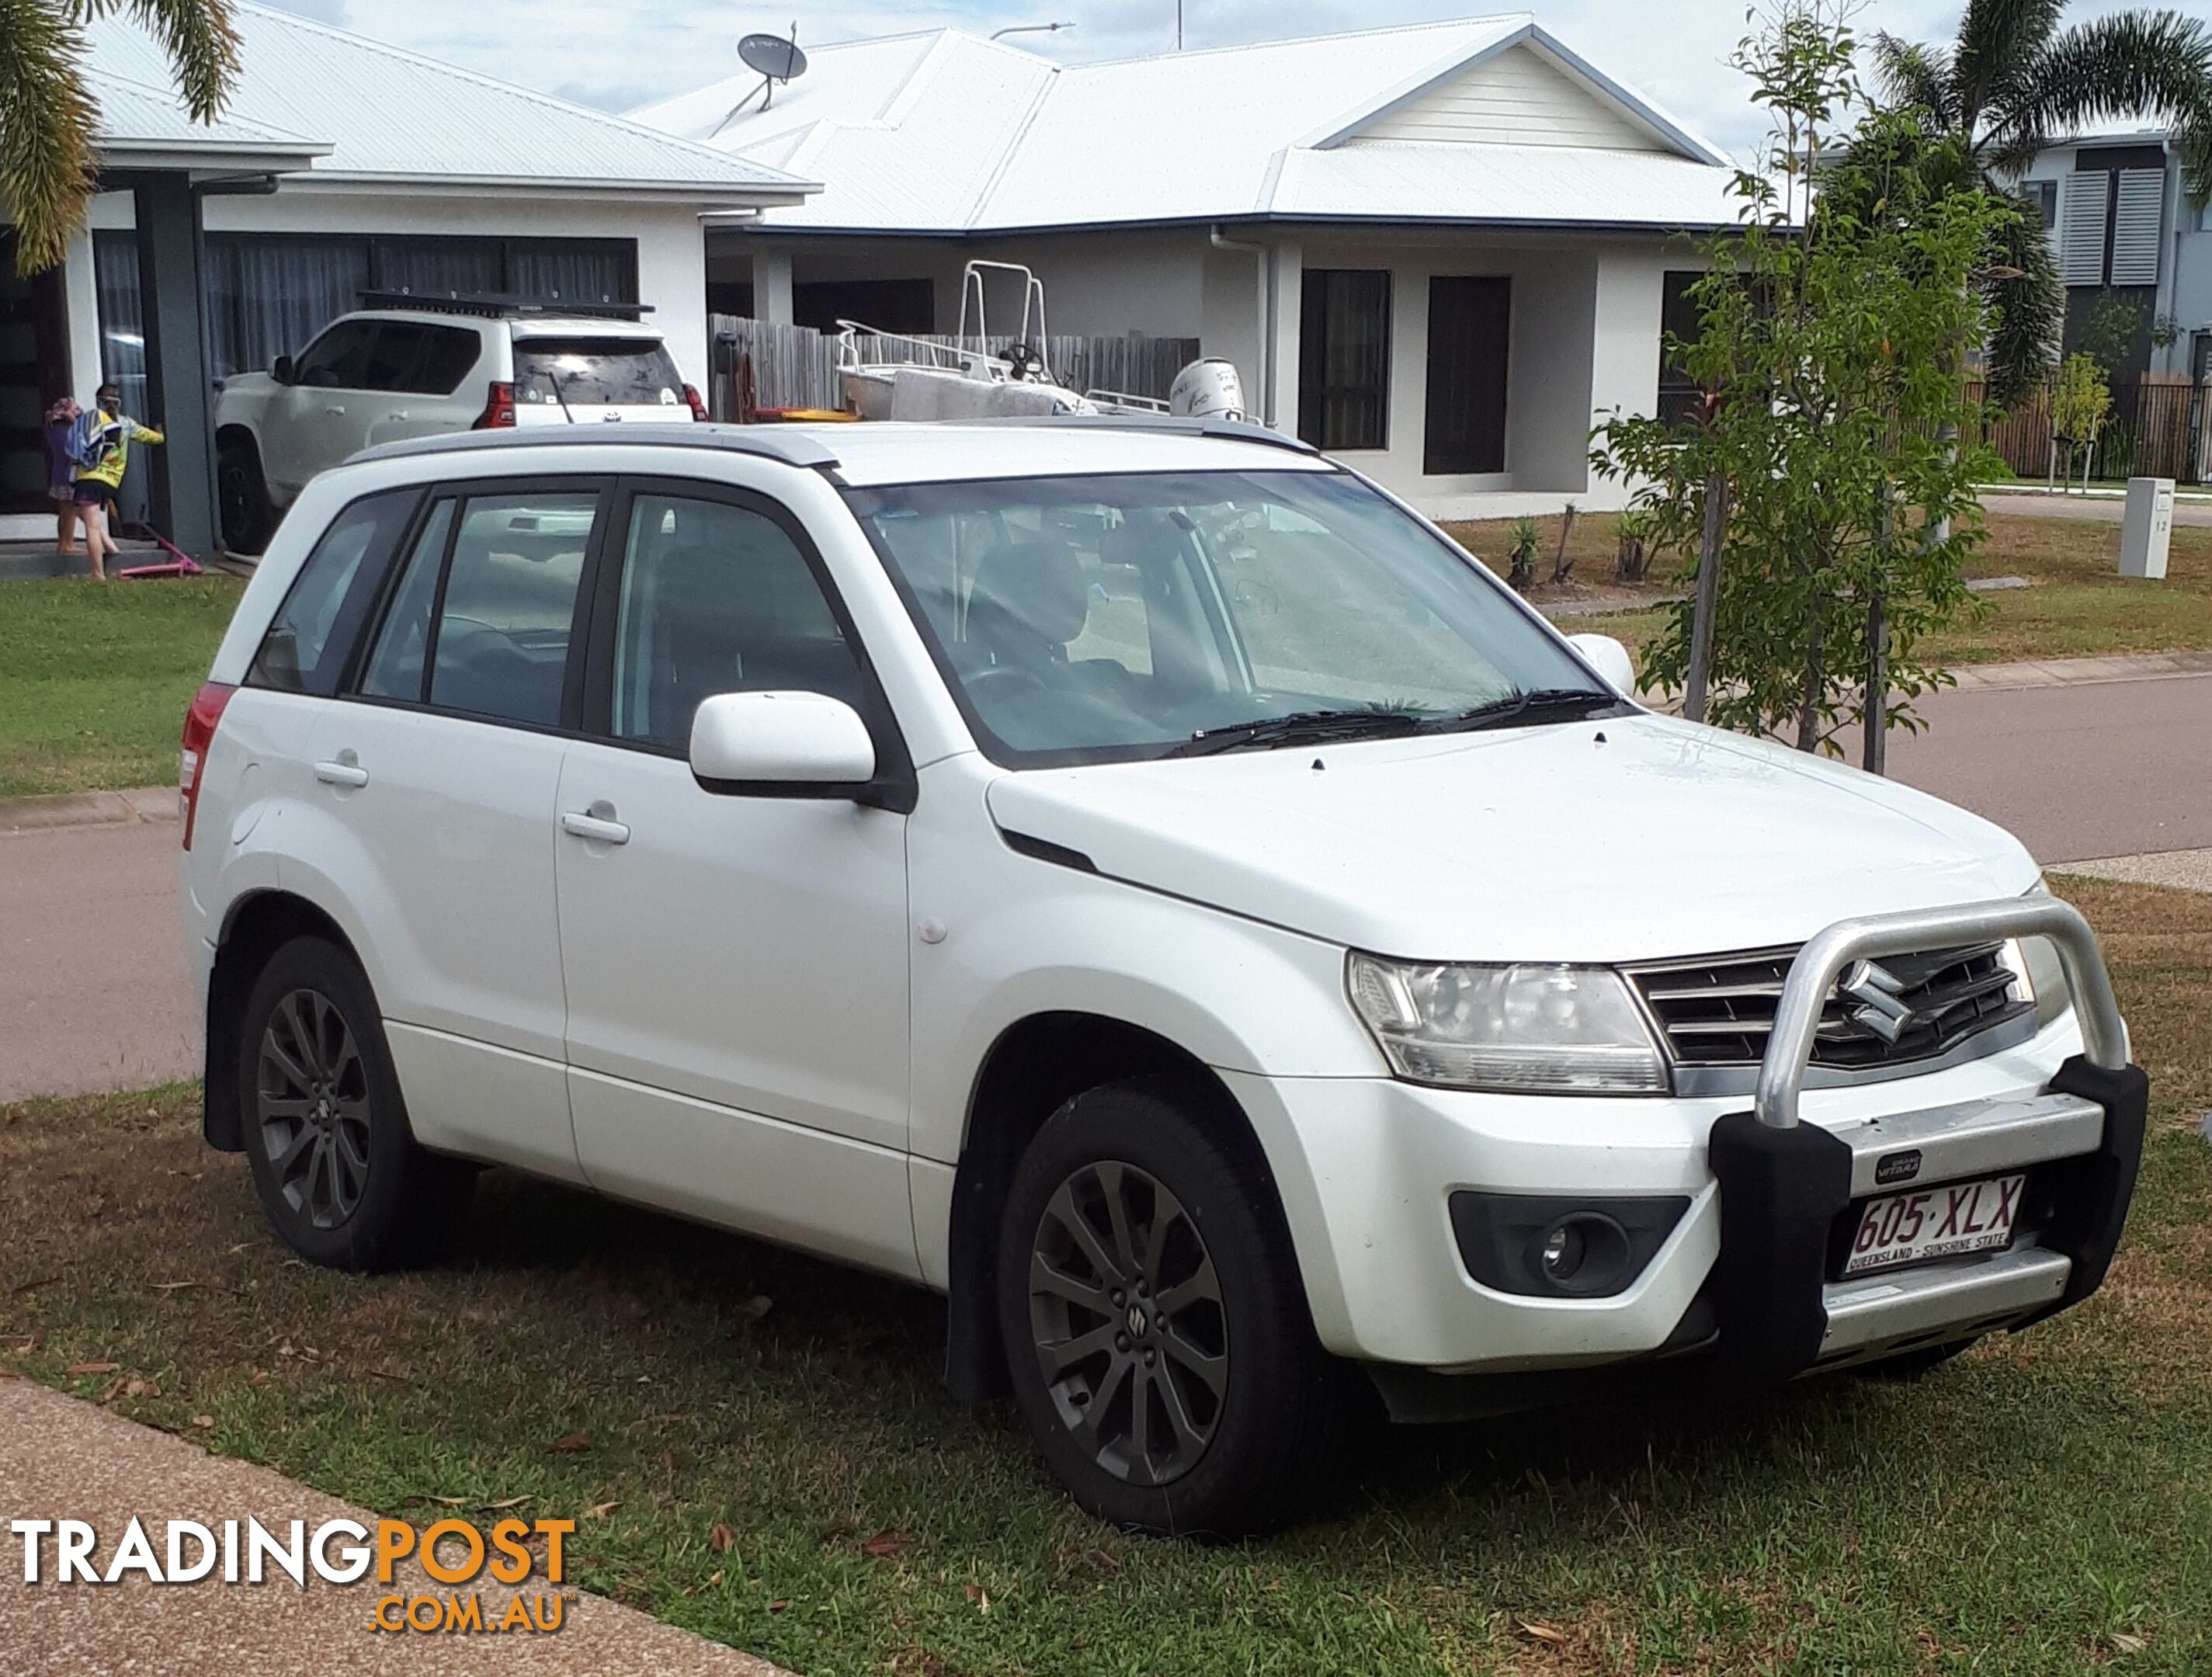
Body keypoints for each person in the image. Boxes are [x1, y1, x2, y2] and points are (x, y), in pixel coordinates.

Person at [69, 383, 163, 582]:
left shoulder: (92, 420)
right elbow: (154, 439)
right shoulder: (127, 424)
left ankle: (97, 573)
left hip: (89, 478)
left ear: (98, 402)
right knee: (81, 512)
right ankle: (111, 547)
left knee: (91, 526)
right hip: (111, 483)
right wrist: (160, 433)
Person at [43, 397, 82, 556]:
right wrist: (74, 422)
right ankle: (68, 543)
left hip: (58, 473)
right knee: (71, 510)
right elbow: (78, 446)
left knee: (63, 509)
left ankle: (62, 543)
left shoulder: (51, 427)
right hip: (69, 474)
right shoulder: (68, 431)